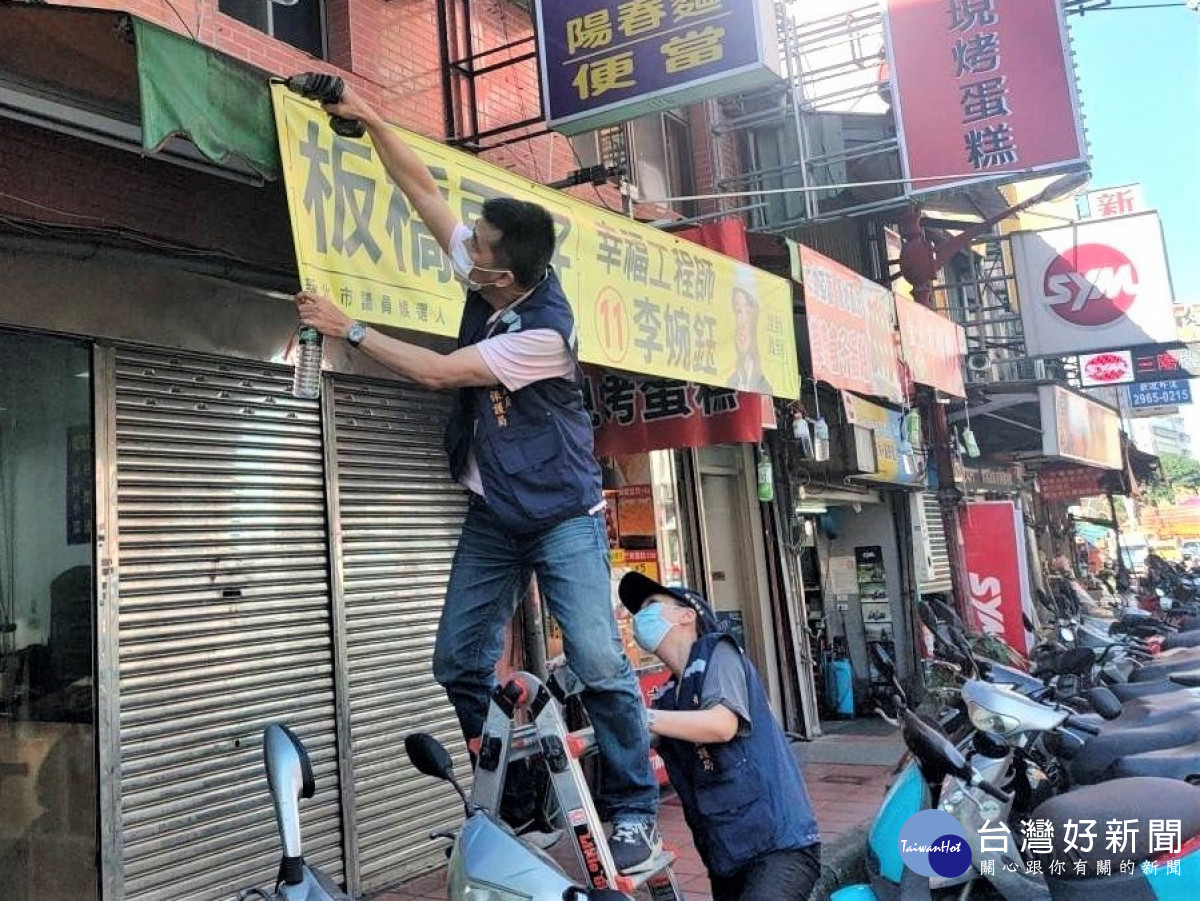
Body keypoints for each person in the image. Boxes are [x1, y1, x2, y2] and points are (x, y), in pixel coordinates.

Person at [294, 83, 661, 873]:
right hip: (496, 512)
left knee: (599, 660)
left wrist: (345, 326)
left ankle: (633, 806)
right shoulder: (497, 278)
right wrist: (372, 112)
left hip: (562, 515)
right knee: (457, 658)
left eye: (480, 245)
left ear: (503, 274)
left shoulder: (540, 336)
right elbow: (421, 187)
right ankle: (521, 775)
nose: (469, 245)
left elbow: (433, 372)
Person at [618, 571, 822, 900]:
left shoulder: (718, 653)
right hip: (727, 855)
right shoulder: (670, 693)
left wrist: (644, 718)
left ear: (687, 615)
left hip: (780, 847)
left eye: (653, 605)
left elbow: (721, 724)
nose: (641, 617)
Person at [726, 286, 772, 394]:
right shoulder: (731, 378)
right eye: (738, 312)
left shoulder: (765, 383)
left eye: (747, 311)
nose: (741, 322)